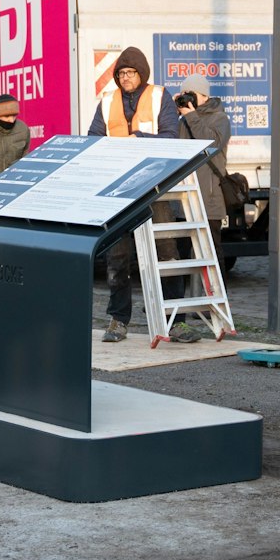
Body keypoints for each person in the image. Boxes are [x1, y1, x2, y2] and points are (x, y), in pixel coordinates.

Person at [86, 47, 186, 343]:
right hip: (119, 190)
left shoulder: (159, 96)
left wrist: (139, 139)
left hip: (156, 188)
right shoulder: (106, 102)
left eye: (130, 72)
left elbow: (172, 136)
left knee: (167, 253)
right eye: (121, 73)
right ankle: (118, 321)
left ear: (142, 73)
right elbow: (93, 139)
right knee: (117, 257)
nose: (125, 78)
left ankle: (176, 321)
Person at [175, 73, 235, 226]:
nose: (186, 98)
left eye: (190, 94)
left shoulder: (220, 118)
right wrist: (172, 112)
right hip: (185, 199)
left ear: (204, 96)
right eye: (183, 94)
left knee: (211, 249)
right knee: (183, 248)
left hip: (209, 201)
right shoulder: (183, 120)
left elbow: (211, 144)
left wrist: (192, 116)